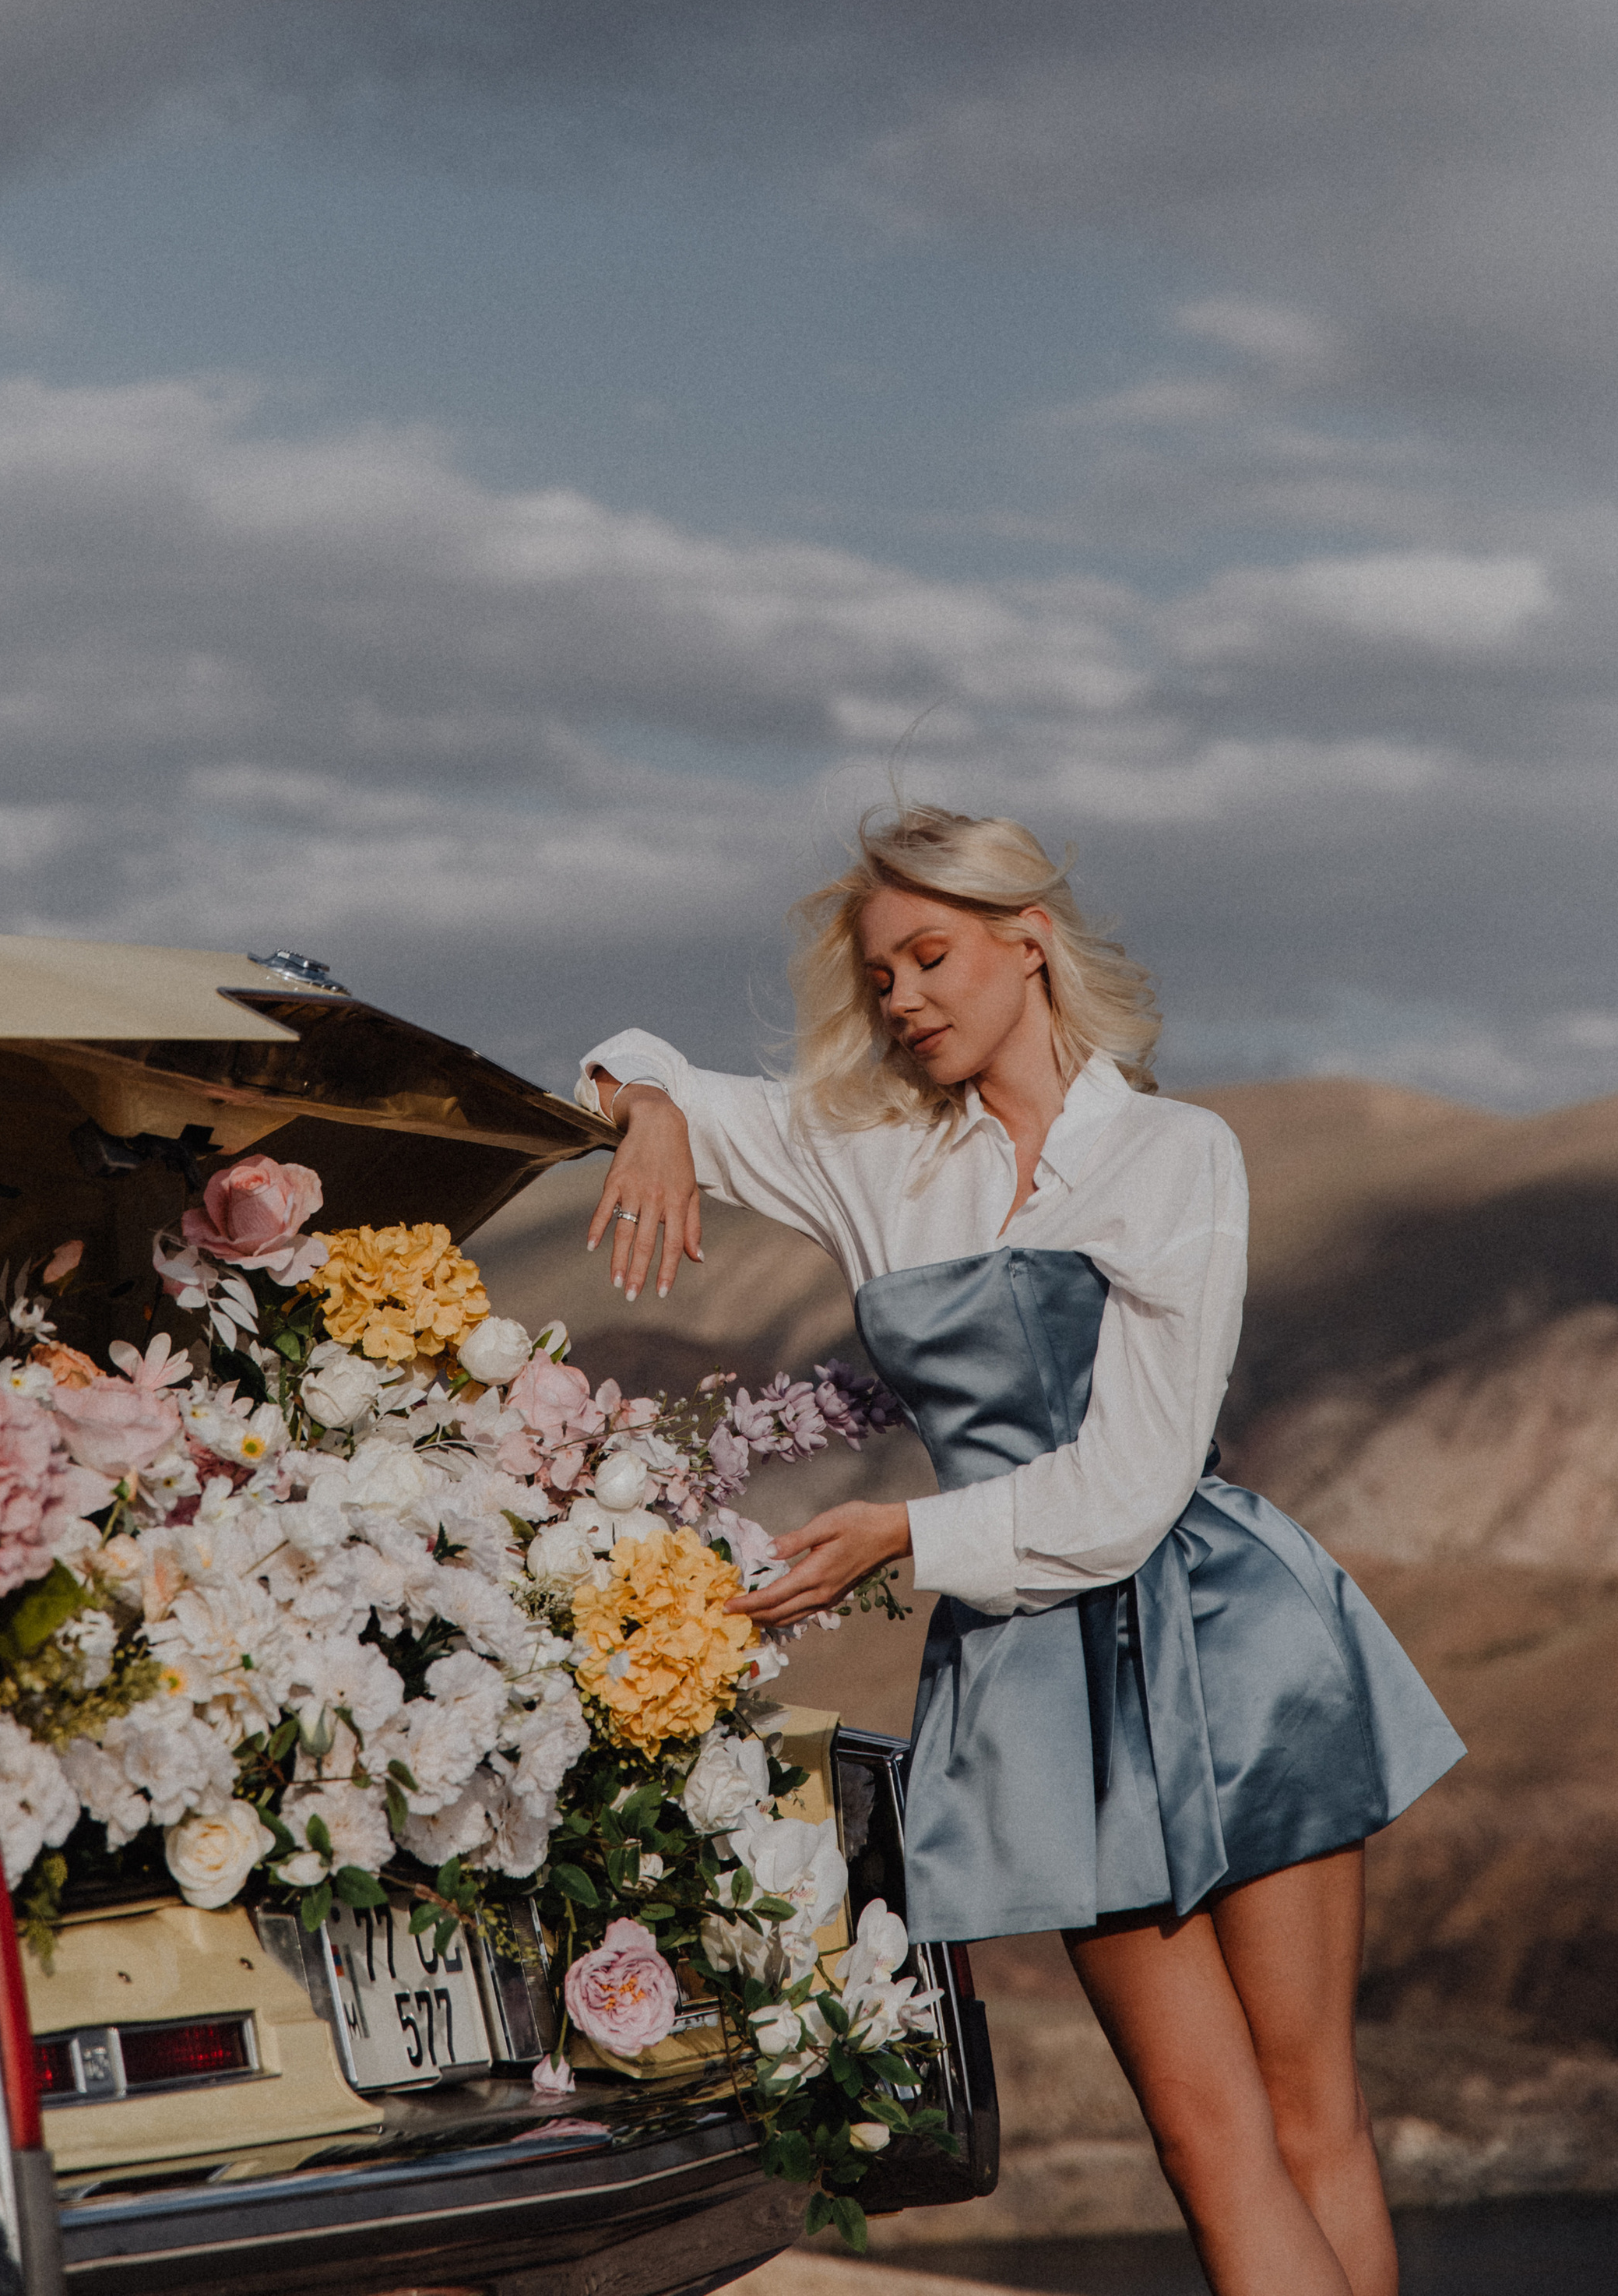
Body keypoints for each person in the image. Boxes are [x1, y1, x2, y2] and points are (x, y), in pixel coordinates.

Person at [578, 807, 1461, 2296]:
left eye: (931, 958)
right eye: (881, 978)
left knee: (1316, 2115)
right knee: (1202, 2139)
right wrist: (655, 1106)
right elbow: (616, 1069)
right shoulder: (866, 1156)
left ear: (1029, 941)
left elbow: (1133, 1480)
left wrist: (904, 1536)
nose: (903, 999)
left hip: (1231, 1630)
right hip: (1039, 1678)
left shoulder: (1179, 1153)